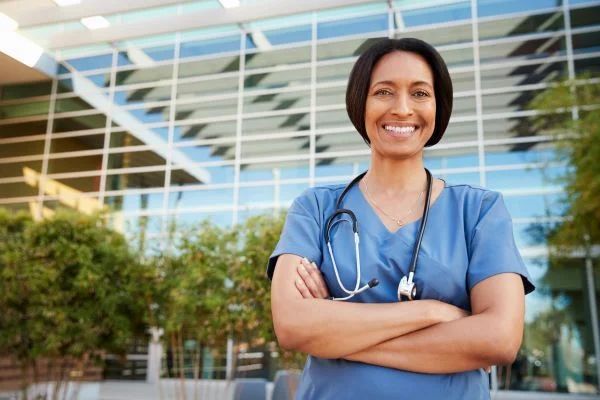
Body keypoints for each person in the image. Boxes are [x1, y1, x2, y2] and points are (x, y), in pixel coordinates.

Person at [267, 38, 535, 400]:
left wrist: (335, 334)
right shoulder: (315, 208)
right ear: (360, 103)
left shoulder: (479, 211)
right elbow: (293, 326)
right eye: (383, 92)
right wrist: (433, 312)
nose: (403, 108)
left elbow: (499, 339)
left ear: (439, 107)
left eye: (420, 93)